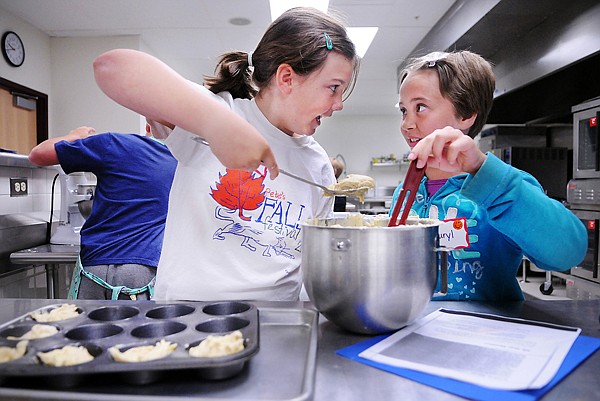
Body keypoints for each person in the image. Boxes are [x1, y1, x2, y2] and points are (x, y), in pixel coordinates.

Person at [93, 7, 360, 301]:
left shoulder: (318, 164)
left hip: (277, 322)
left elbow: (312, 265)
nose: (338, 104)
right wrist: (216, 125)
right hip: (190, 315)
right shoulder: (219, 114)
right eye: (333, 88)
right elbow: (111, 67)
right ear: (286, 78)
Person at [390, 50, 587, 301]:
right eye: (404, 111)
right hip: (410, 329)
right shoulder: (407, 193)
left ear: (466, 115)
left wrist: (483, 172)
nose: (406, 124)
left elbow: (568, 252)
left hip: (483, 333)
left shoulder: (500, 187)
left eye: (420, 107)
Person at [28, 124, 177, 300]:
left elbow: (38, 155)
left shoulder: (113, 143)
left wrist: (76, 134)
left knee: (86, 326)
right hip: (142, 272)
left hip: (94, 268)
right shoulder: (182, 163)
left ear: (147, 126)